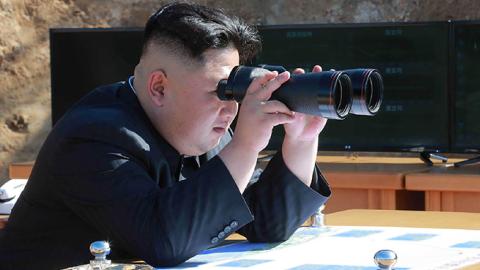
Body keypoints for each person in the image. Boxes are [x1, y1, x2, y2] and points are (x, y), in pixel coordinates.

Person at [0, 2, 331, 269]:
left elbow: (264, 224)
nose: (230, 108)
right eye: (220, 89)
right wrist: (246, 144)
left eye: (234, 91)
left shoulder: (200, 130)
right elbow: (163, 241)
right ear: (159, 87)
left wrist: (301, 141)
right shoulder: (92, 137)